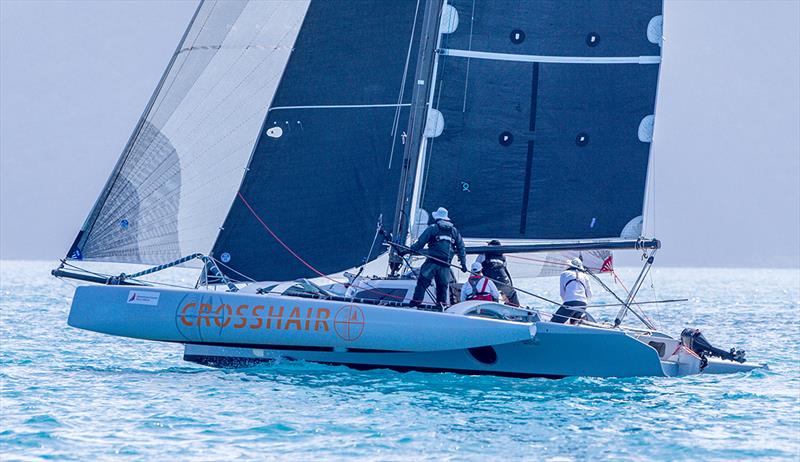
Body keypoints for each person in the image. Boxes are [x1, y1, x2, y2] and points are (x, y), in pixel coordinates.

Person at [407, 207, 467, 308]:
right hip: (445, 265)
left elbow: (420, 244)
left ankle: (415, 304)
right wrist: (463, 264)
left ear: (437, 218)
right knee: (442, 287)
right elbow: (461, 247)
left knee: (422, 282)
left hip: (432, 263)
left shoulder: (433, 228)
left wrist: (407, 251)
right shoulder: (454, 231)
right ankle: (441, 306)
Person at [475, 239, 520, 306]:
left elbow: (476, 268)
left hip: (491, 281)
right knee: (511, 295)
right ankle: (514, 309)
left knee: (492, 296)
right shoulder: (503, 257)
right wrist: (506, 291)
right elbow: (505, 271)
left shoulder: (483, 254)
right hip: (504, 281)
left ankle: (492, 309)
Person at [552, 258, 593, 324]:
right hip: (583, 304)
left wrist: (568, 302)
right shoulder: (585, 276)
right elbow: (590, 294)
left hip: (570, 303)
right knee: (574, 323)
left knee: (553, 323)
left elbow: (562, 294)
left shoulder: (564, 274)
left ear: (570, 265)